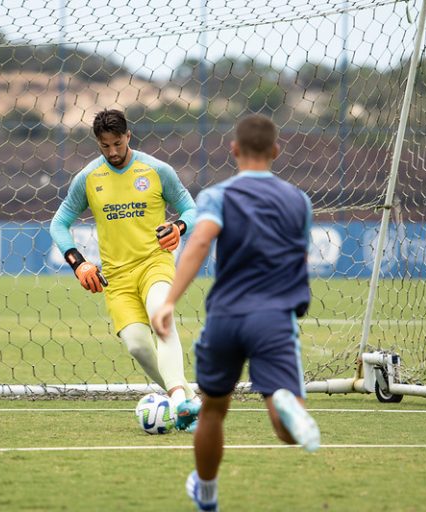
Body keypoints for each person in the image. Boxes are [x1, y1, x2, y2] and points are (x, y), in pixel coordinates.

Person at [150, 114, 321, 511]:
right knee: (286, 427)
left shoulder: (218, 195)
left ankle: (206, 493)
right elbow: (298, 260)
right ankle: (283, 402)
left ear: (234, 151)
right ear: (276, 152)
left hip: (225, 318)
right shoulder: (299, 200)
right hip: (274, 318)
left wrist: (171, 299)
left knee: (212, 410)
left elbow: (200, 243)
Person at [50, 108, 201, 430]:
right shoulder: (89, 178)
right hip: (117, 277)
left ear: (128, 136)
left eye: (118, 143)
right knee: (136, 343)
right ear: (97, 143)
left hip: (154, 263)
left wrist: (181, 226)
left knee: (161, 316)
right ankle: (190, 400)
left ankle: (176, 401)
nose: (113, 152)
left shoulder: (157, 170)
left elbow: (190, 207)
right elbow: (59, 224)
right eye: (105, 146)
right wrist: (78, 262)